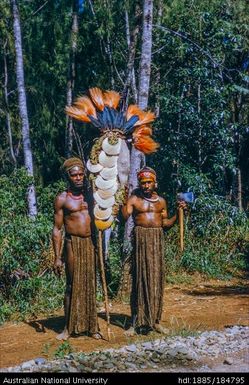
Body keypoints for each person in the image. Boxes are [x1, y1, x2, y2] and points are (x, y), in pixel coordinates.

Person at [122, 166, 186, 336]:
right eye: (143, 182)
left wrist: (179, 214)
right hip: (141, 241)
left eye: (149, 182)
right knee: (140, 280)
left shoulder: (162, 202)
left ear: (155, 183)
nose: (146, 185)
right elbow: (124, 216)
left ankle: (155, 321)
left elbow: (165, 224)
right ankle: (135, 322)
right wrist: (123, 199)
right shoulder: (134, 200)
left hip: (157, 241)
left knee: (156, 279)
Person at [52, 157, 101, 341]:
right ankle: (68, 327)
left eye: (81, 174)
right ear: (68, 177)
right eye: (75, 175)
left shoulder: (92, 196)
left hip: (90, 244)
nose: (79, 178)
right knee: (71, 284)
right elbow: (57, 229)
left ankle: (91, 326)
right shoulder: (62, 199)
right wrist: (58, 257)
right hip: (72, 244)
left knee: (90, 283)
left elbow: (105, 213)